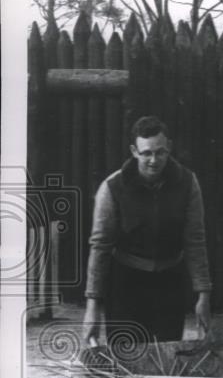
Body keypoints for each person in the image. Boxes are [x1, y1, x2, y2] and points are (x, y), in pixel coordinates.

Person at [83, 116, 211, 349]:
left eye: (160, 152)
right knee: (126, 362)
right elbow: (100, 246)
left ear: (169, 148)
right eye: (146, 153)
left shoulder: (188, 183)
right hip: (125, 285)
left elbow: (195, 241)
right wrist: (92, 306)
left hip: (169, 284)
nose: (154, 160)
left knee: (166, 360)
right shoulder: (112, 187)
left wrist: (203, 295)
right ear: (134, 151)